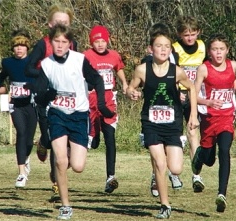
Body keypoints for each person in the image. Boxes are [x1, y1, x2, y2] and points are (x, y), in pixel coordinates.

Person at [37, 24, 114, 220]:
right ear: (51, 42)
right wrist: (48, 96)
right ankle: (65, 206)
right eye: (57, 41)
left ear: (70, 44)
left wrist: (103, 105)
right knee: (61, 161)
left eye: (64, 42)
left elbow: (97, 80)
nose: (60, 45)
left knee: (78, 166)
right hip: (57, 114)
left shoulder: (80, 60)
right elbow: (39, 97)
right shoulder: (46, 64)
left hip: (79, 115)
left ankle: (62, 159)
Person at [126, 29, 199, 219]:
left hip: (172, 123)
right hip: (150, 123)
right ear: (151, 49)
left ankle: (164, 179)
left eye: (167, 46)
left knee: (175, 168)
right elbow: (130, 88)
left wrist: (192, 116)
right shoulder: (142, 69)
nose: (163, 49)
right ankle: (165, 205)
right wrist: (132, 93)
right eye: (159, 46)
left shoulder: (177, 71)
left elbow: (191, 88)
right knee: (160, 163)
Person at [193, 33, 236, 213]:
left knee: (225, 150)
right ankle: (200, 155)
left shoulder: (232, 65)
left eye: (221, 49)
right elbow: (194, 95)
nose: (218, 53)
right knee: (210, 159)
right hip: (209, 119)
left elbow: (231, 81)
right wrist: (208, 102)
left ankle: (221, 194)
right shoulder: (204, 69)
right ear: (209, 52)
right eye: (214, 49)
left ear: (227, 50)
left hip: (227, 118)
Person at [25, 4, 77, 194]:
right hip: (45, 98)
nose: (61, 25)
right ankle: (45, 146)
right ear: (49, 24)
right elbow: (28, 68)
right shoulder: (43, 44)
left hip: (66, 98)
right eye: (58, 22)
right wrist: (46, 73)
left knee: (63, 138)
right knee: (51, 137)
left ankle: (57, 177)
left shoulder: (73, 45)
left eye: (65, 22)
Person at [83, 25, 128, 193]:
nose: (100, 44)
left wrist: (124, 83)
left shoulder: (114, 55)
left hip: (109, 99)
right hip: (92, 100)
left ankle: (111, 177)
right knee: (93, 142)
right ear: (91, 42)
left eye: (103, 40)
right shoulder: (86, 56)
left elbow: (119, 68)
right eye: (97, 41)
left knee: (110, 137)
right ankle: (93, 138)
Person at [170, 15, 207, 192]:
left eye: (193, 34)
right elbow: (170, 72)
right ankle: (174, 173)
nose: (190, 38)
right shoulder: (174, 49)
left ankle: (196, 175)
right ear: (179, 35)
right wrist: (177, 91)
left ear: (198, 32)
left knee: (193, 133)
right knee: (174, 136)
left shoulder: (202, 47)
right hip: (178, 97)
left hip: (194, 96)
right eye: (186, 35)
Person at [0, 29, 37, 188]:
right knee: (20, 133)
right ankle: (21, 173)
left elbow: (42, 79)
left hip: (31, 105)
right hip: (16, 105)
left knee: (28, 139)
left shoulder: (34, 62)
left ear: (27, 47)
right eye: (16, 46)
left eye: (22, 46)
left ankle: (26, 157)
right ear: (12, 48)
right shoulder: (8, 63)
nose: (19, 49)